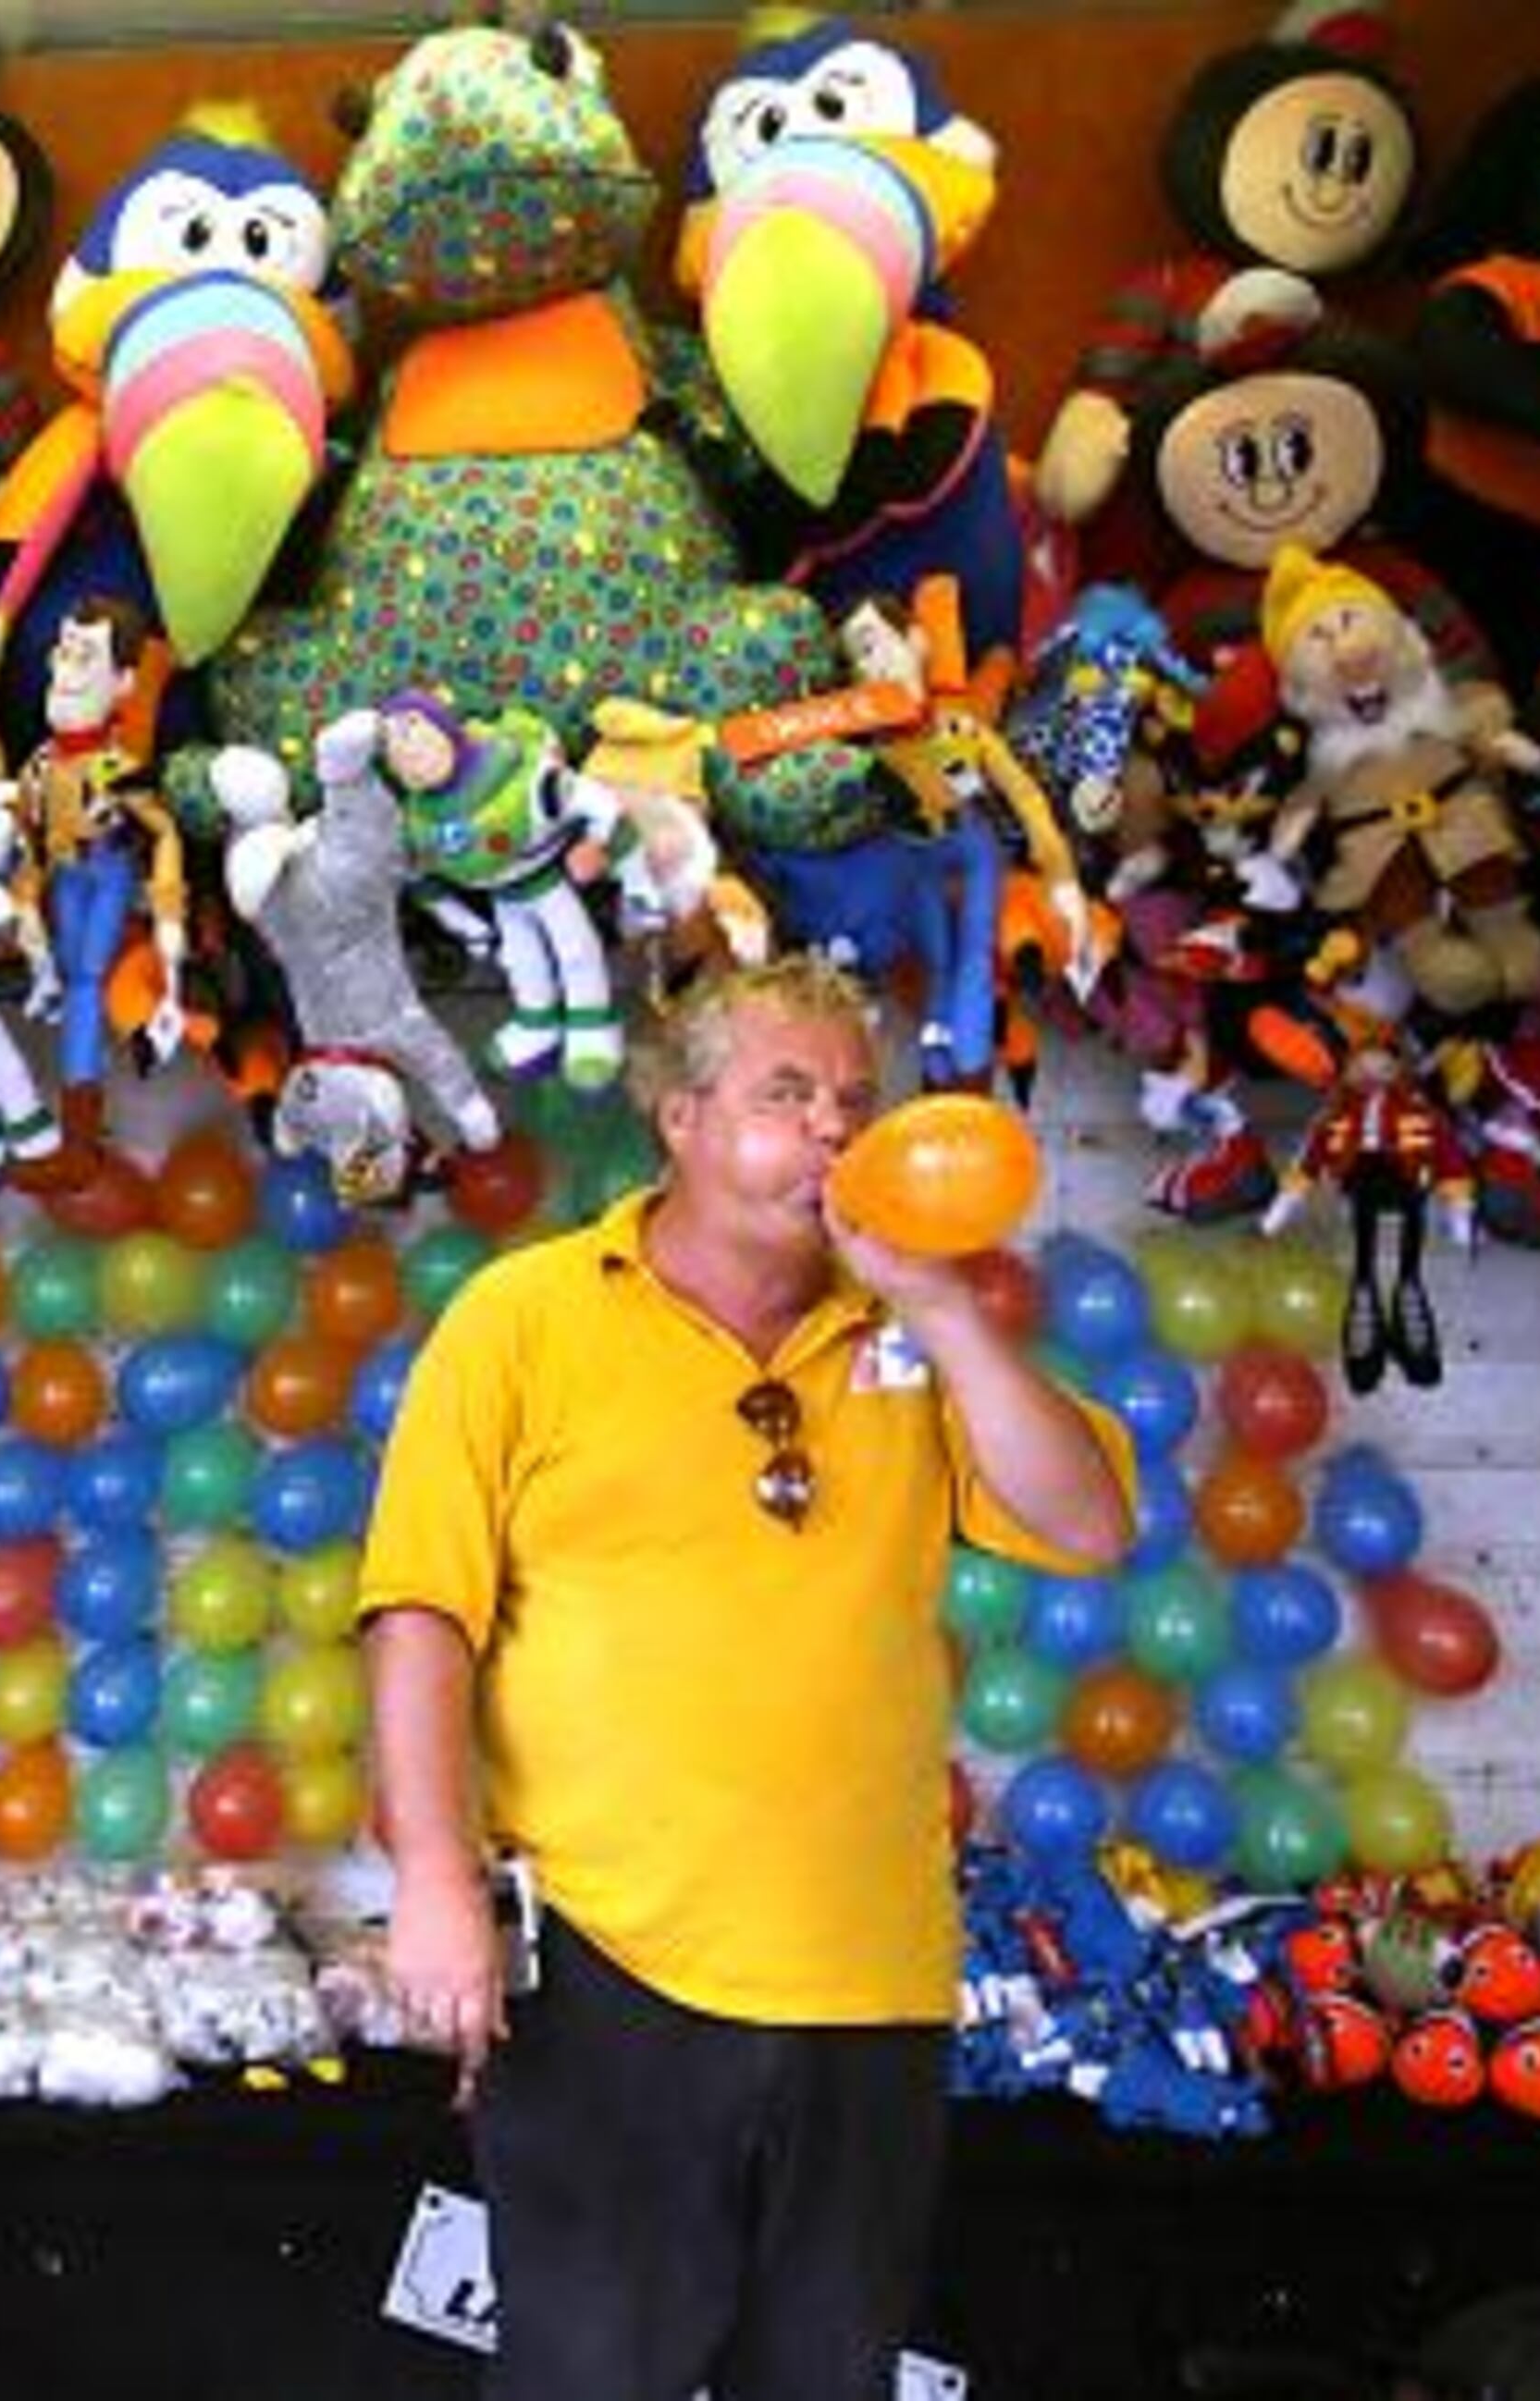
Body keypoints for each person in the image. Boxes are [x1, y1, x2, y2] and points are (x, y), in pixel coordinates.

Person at [359, 953, 1133, 2401]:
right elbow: (419, 1617)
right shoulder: (527, 1318)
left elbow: (1087, 1523)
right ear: (683, 1117)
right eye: (787, 1095)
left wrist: (949, 1310)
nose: (836, 1130)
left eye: (856, 1100)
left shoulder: (913, 1326)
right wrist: (434, 1879)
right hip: (605, 1969)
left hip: (871, 1980)